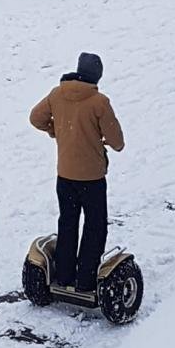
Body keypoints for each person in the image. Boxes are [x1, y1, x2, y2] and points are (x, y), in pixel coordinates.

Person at [29, 52, 125, 292]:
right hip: (92, 178)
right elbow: (117, 141)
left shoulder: (57, 94)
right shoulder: (99, 102)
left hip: (65, 176)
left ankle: (63, 276)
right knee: (95, 226)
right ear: (96, 77)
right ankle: (86, 280)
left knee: (68, 223)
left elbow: (35, 118)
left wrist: (57, 130)